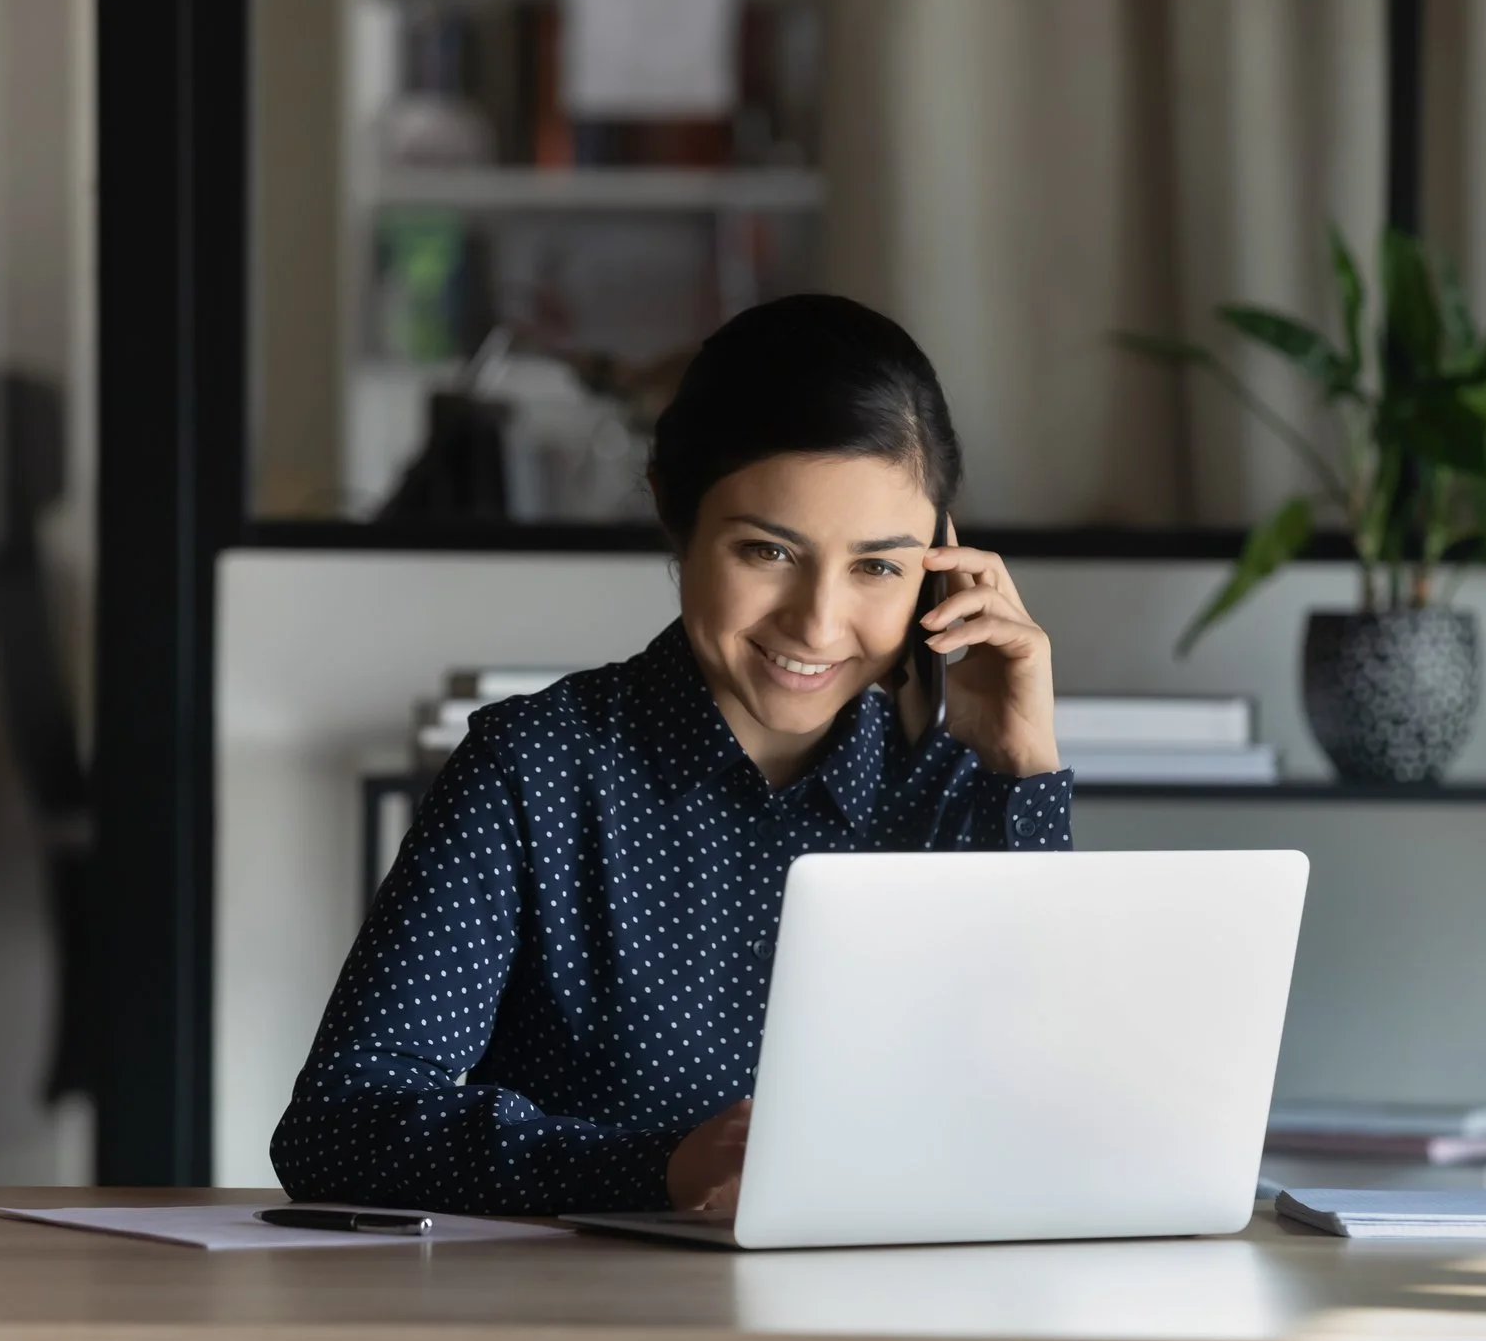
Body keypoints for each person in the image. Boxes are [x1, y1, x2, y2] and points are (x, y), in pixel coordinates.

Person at [269, 295, 1073, 1215]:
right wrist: (652, 1170)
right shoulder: (537, 769)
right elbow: (341, 1125)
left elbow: (1050, 1120)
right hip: (590, 1331)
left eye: (877, 567)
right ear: (671, 508)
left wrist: (1023, 767)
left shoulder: (968, 787)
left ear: (941, 556)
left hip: (898, 1331)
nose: (817, 622)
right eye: (768, 551)